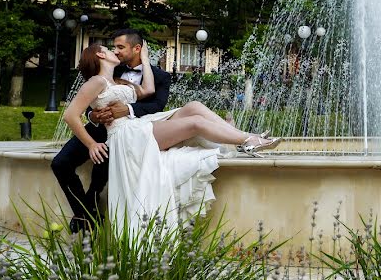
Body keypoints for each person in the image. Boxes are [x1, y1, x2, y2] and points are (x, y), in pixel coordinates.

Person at [63, 41, 281, 235]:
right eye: (108, 49)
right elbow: (70, 115)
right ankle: (246, 142)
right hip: (127, 136)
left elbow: (148, 89)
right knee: (194, 123)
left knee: (193, 107)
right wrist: (91, 144)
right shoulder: (96, 82)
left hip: (137, 126)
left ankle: (246, 137)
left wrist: (146, 59)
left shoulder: (118, 82)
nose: (113, 51)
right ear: (100, 55)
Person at [51, 29, 171, 233]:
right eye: (113, 47)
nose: (116, 51)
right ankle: (83, 212)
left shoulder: (160, 76)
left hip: (129, 129)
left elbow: (157, 105)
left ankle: (92, 207)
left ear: (137, 48)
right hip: (98, 128)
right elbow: (90, 101)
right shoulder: (111, 70)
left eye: (120, 47)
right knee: (61, 163)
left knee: (103, 167)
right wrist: (93, 116)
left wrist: (128, 109)